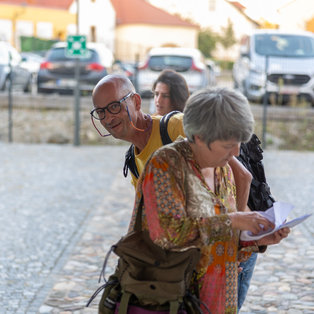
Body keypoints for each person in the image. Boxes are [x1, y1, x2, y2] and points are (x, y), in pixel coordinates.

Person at [128, 87, 290, 313]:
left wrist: (258, 239)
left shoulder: (222, 169)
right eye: (227, 144)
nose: (235, 152)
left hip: (218, 300)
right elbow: (168, 235)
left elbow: (220, 239)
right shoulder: (166, 165)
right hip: (174, 301)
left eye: (238, 143)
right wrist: (234, 221)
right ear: (199, 137)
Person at [91, 74, 252, 214]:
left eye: (114, 107)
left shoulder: (175, 127)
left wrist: (238, 232)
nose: (107, 118)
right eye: (100, 112)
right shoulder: (133, 159)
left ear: (137, 102)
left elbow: (242, 176)